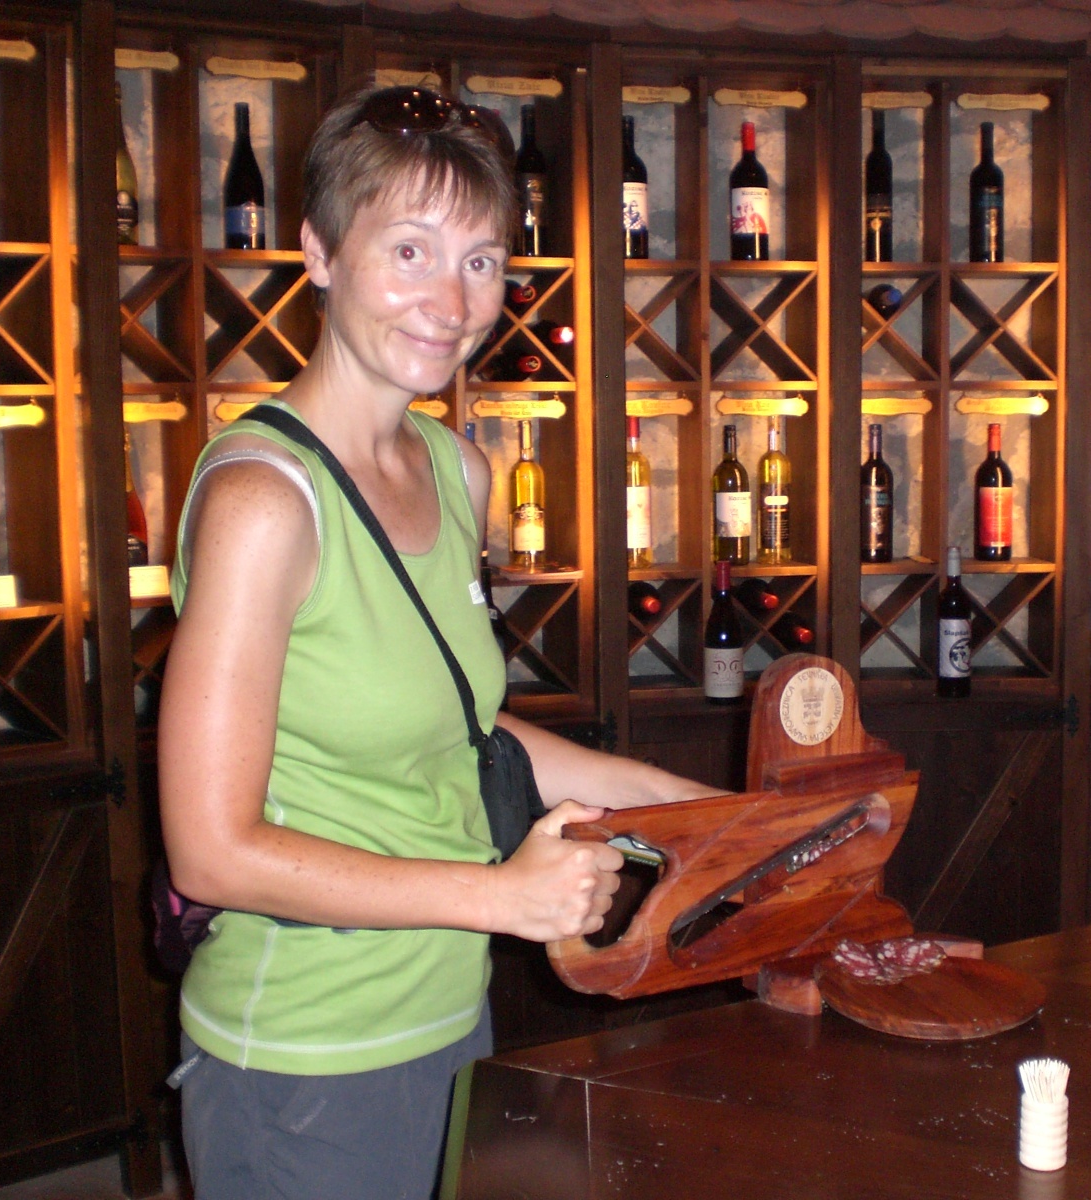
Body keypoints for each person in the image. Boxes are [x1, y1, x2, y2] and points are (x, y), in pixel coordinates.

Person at [158, 84, 720, 1200]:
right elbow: (211, 852)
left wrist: (694, 813)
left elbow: (462, 730)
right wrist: (501, 899)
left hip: (448, 1014)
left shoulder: (455, 470)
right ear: (319, 253)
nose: (452, 301)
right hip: (304, 1058)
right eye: (409, 250)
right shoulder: (264, 501)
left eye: (481, 260)